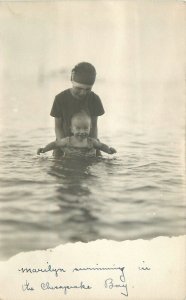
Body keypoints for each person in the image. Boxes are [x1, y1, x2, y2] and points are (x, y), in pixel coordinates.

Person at [50, 62, 105, 157]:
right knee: (57, 165)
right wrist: (65, 147)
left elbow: (94, 126)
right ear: (71, 79)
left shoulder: (95, 99)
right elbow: (58, 127)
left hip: (87, 141)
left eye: (88, 89)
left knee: (97, 161)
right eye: (78, 88)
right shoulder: (60, 99)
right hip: (64, 140)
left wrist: (92, 146)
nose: (83, 92)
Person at [37, 111, 116, 157]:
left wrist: (109, 150)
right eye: (78, 128)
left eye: (85, 128)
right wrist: (44, 149)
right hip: (71, 165)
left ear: (90, 128)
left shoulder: (91, 142)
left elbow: (101, 146)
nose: (82, 132)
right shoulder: (68, 141)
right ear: (71, 129)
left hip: (87, 164)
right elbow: (55, 144)